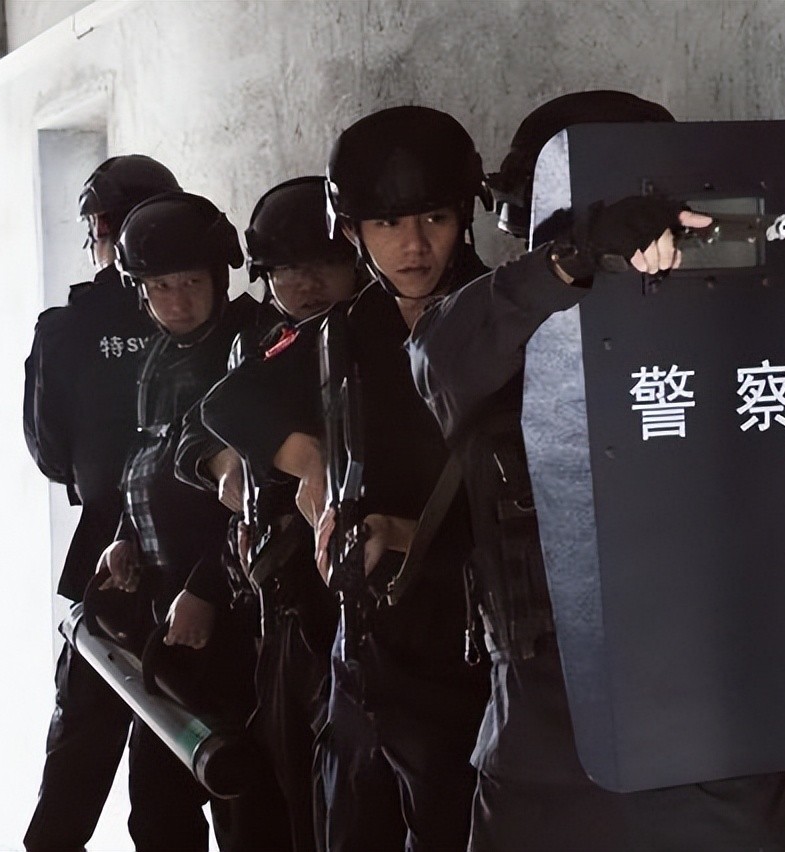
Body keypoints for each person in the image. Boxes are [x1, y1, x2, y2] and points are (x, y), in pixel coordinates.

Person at [406, 92, 785, 850]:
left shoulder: (742, 327)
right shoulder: (501, 326)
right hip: (547, 741)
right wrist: (573, 257)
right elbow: (438, 361)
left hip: (713, 740)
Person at [203, 107, 496, 852]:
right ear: (354, 231)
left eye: (434, 218)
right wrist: (318, 467)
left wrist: (405, 533)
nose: (414, 245)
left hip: (475, 648)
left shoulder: (505, 321)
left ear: (464, 218)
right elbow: (230, 403)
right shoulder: (347, 330)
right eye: (387, 224)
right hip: (362, 650)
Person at [172, 176, 362, 852]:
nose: (305, 284)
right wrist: (226, 462)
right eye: (285, 270)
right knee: (282, 796)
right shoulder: (261, 344)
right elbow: (195, 431)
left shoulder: (378, 334)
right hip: (281, 609)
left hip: (362, 603)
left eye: (325, 263)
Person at [99, 190, 289, 852]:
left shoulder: (255, 346)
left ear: (220, 276)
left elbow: (266, 491)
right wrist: (126, 538)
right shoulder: (158, 356)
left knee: (246, 805)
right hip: (168, 612)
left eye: (190, 283)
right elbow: (147, 459)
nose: (176, 301)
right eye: (159, 287)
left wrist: (208, 586)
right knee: (158, 808)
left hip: (240, 617)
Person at [21, 154, 179, 852]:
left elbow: (51, 453)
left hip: (105, 549)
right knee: (174, 749)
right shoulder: (209, 313)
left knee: (80, 740)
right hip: (200, 554)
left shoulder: (66, 328)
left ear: (102, 231)